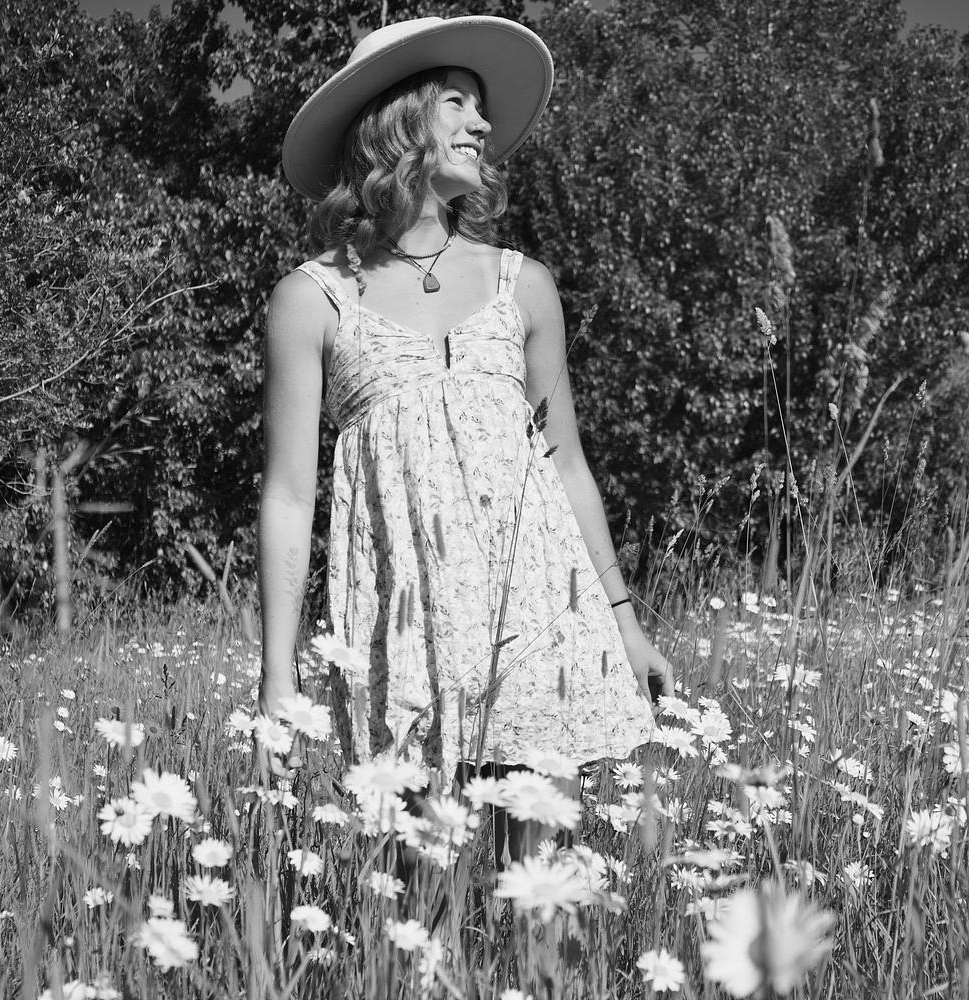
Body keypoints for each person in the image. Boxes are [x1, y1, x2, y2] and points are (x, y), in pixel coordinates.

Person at [258, 15, 674, 859]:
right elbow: (290, 496)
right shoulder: (313, 299)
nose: (483, 124)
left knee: (541, 889)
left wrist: (625, 624)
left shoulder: (526, 287)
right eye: (457, 101)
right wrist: (277, 676)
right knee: (419, 893)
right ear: (396, 120)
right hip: (402, 629)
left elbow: (567, 466)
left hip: (539, 619)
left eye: (480, 107)